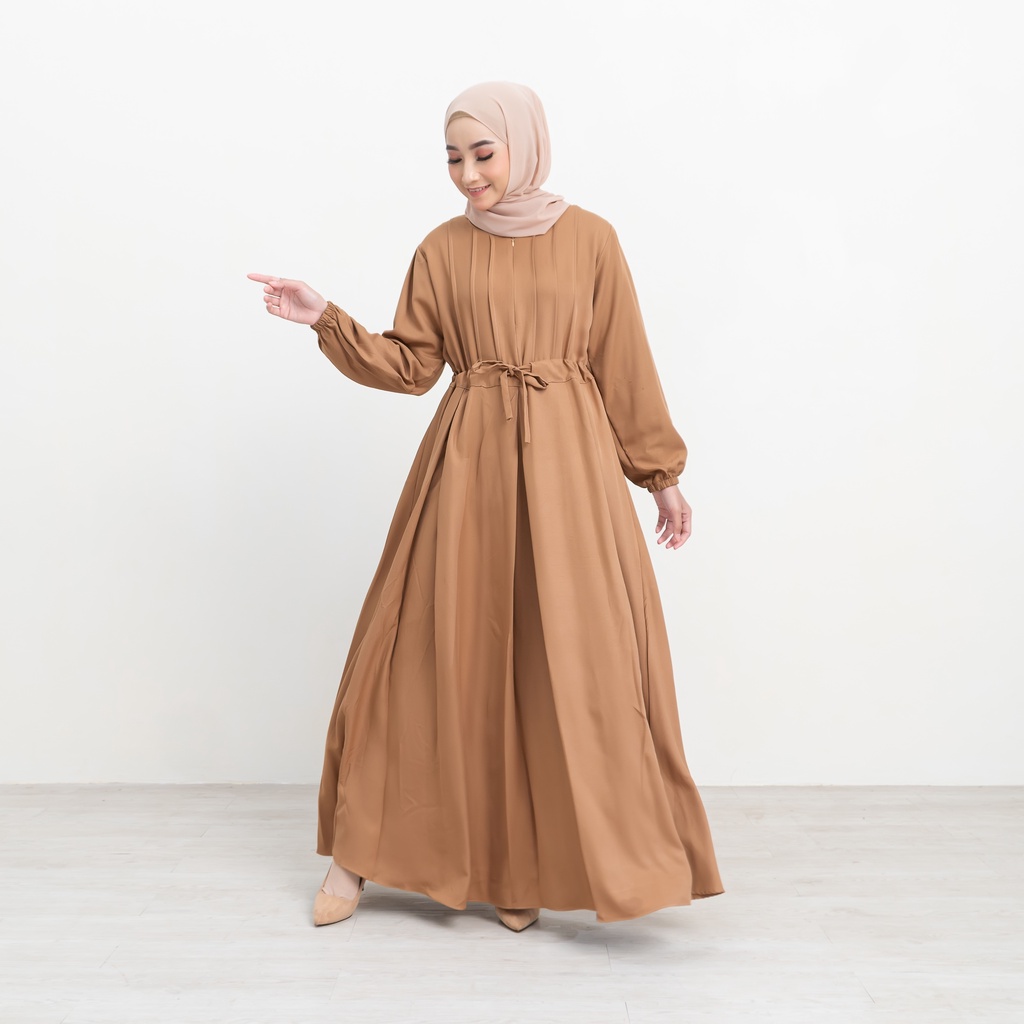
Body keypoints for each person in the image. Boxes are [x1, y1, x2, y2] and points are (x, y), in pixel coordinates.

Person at [248, 81, 724, 932]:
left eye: (483, 154)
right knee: (423, 653)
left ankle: (518, 869)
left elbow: (624, 362)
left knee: (563, 662)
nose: (469, 174)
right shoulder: (441, 249)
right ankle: (355, 856)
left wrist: (661, 475)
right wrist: (326, 319)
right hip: (467, 471)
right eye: (453, 159)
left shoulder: (592, 240)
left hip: (571, 477)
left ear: (523, 145)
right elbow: (411, 366)